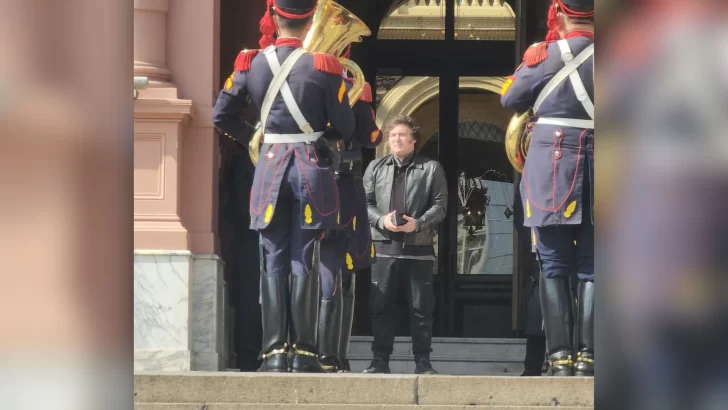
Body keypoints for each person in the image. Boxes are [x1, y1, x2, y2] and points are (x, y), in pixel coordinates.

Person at [212, 0, 355, 373]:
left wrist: (256, 138)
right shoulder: (324, 65)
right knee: (304, 253)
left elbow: (221, 115)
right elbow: (346, 126)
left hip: (271, 166)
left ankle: (274, 353)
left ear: (274, 17)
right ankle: (305, 352)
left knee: (271, 253)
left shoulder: (251, 62)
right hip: (311, 167)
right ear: (310, 21)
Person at [500, 0, 594, 377]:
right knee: (595, 268)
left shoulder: (544, 54)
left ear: (561, 12)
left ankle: (559, 359)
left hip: (551, 166)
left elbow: (509, 98)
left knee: (553, 263)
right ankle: (589, 358)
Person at [361, 115, 447, 375]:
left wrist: (417, 224)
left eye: (401, 134)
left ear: (413, 140)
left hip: (418, 251)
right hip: (384, 250)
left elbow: (441, 205)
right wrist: (381, 219)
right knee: (381, 307)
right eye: (392, 135)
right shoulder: (375, 167)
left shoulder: (431, 168)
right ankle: (380, 361)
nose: (396, 139)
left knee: (421, 310)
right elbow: (363, 203)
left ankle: (423, 362)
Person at [317, 71, 383, 372]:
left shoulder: (300, 80)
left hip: (306, 182)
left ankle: (314, 352)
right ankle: (333, 356)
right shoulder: (353, 87)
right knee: (342, 271)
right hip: (342, 188)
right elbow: (372, 135)